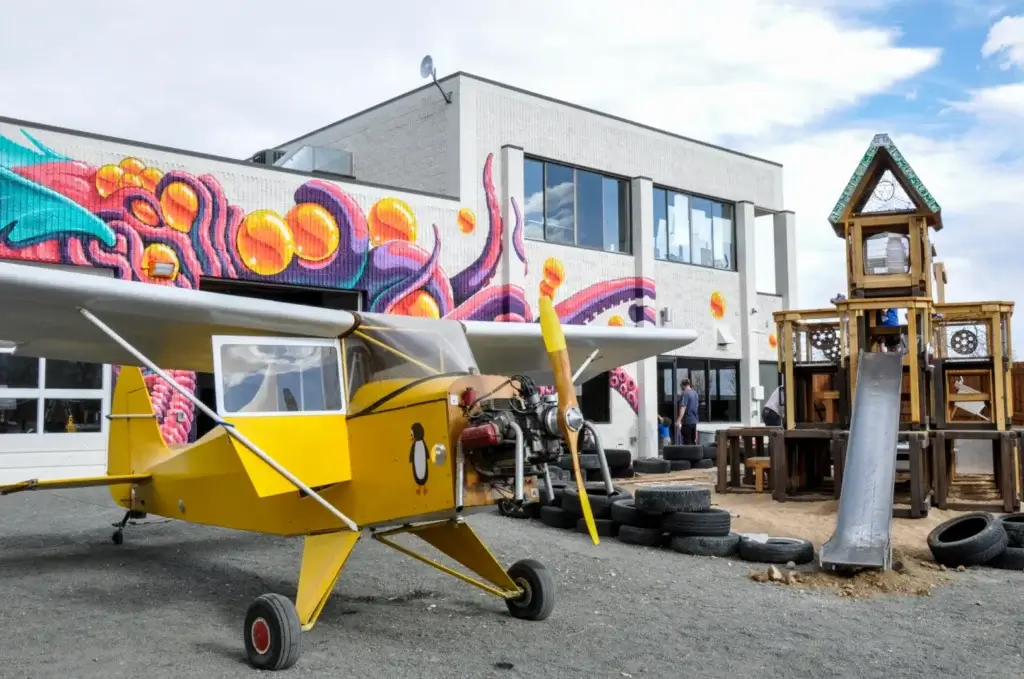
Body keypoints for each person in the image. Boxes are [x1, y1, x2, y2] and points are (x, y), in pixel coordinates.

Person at [675, 378, 700, 445]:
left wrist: (678, 420)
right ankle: (694, 455)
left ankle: (689, 455)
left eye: (681, 386)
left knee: (687, 442)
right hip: (694, 421)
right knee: (692, 440)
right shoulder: (695, 394)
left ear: (683, 385)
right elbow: (697, 406)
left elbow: (683, 407)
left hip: (687, 422)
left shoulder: (686, 394)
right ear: (689, 384)